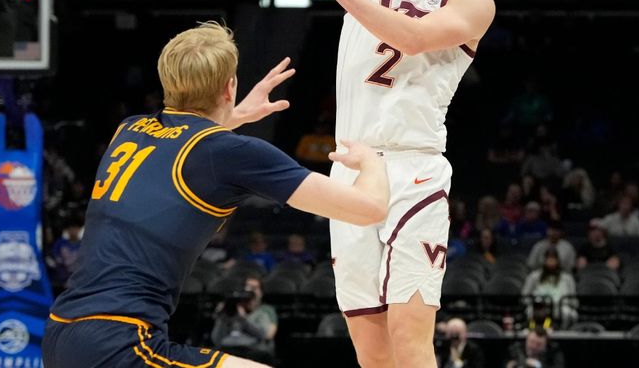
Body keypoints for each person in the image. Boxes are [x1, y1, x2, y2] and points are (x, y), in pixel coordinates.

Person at [42, 22, 390, 368]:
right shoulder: (229, 153)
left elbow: (186, 143)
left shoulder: (129, 130)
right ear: (230, 86)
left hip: (62, 333)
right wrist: (372, 160)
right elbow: (369, 209)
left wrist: (233, 116)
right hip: (120, 343)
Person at [292, 0, 495, 368]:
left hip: (414, 168)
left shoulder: (472, 2)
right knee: (371, 350)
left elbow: (412, 37)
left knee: (410, 340)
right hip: (352, 169)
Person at [211, 277, 278, 364]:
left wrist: (243, 319)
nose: (250, 291)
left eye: (254, 288)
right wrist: (222, 315)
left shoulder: (265, 311)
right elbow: (216, 339)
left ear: (261, 292)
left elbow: (267, 335)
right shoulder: (232, 311)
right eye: (248, 287)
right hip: (229, 349)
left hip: (253, 351)